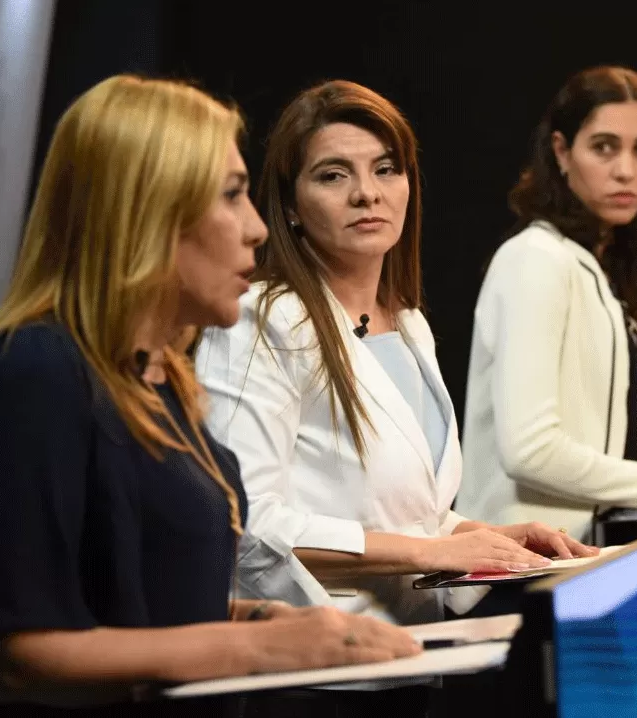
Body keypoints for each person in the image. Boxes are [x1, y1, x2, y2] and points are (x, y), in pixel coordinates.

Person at [0, 75, 420, 718]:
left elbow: (130, 600)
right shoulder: (33, 371)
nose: (256, 229)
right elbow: (10, 653)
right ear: (145, 213)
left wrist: (253, 616)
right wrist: (253, 647)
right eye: (231, 196)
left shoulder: (163, 382)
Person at [193, 79, 595, 717]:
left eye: (386, 169)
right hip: (311, 679)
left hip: (412, 660)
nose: (366, 193)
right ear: (290, 205)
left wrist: (488, 536)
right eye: (333, 175)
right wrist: (432, 550)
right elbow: (246, 524)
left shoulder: (407, 323)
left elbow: (405, 510)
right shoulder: (264, 319)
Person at [455, 67, 637, 549]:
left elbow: (592, 442)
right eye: (604, 147)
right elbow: (529, 449)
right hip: (512, 573)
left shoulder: (592, 266)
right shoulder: (536, 258)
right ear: (561, 152)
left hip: (574, 560)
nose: (626, 171)